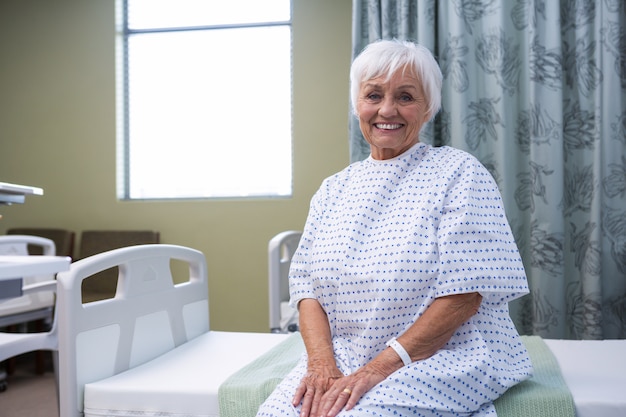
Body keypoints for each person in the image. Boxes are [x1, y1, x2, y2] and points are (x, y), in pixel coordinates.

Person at [257, 39, 532, 417]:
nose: (387, 109)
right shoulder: (333, 188)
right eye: (374, 95)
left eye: (406, 96)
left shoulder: (459, 173)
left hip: (444, 355)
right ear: (357, 105)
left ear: (428, 107)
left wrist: (376, 369)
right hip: (346, 355)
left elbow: (466, 295)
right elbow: (306, 290)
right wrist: (321, 364)